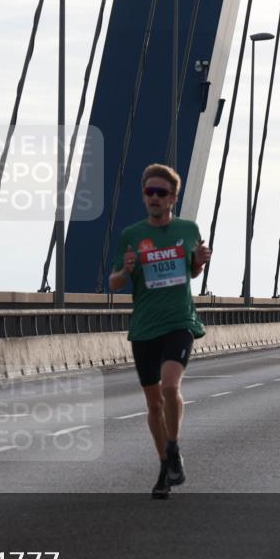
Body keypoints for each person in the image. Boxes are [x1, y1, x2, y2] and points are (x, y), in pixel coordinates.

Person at [109, 163, 211, 499]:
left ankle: (174, 446)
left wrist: (199, 260)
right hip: (144, 328)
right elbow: (114, 282)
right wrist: (125, 270)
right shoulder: (131, 235)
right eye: (149, 191)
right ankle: (165, 465)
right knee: (153, 403)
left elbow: (191, 271)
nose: (154, 197)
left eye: (160, 192)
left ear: (173, 198)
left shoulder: (188, 229)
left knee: (170, 387)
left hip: (179, 322)